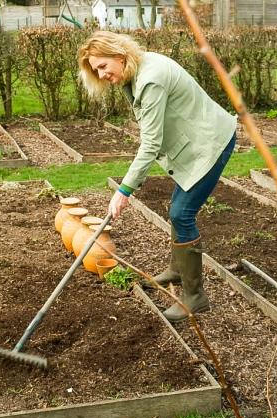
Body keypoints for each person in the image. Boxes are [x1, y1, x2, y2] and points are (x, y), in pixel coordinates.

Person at [77, 31, 237, 323]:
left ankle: (194, 296)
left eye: (103, 66)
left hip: (211, 144)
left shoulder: (150, 78)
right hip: (196, 144)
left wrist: (124, 190)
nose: (102, 74)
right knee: (178, 212)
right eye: (96, 70)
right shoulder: (138, 69)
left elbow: (150, 143)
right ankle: (178, 269)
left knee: (181, 213)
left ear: (119, 55)